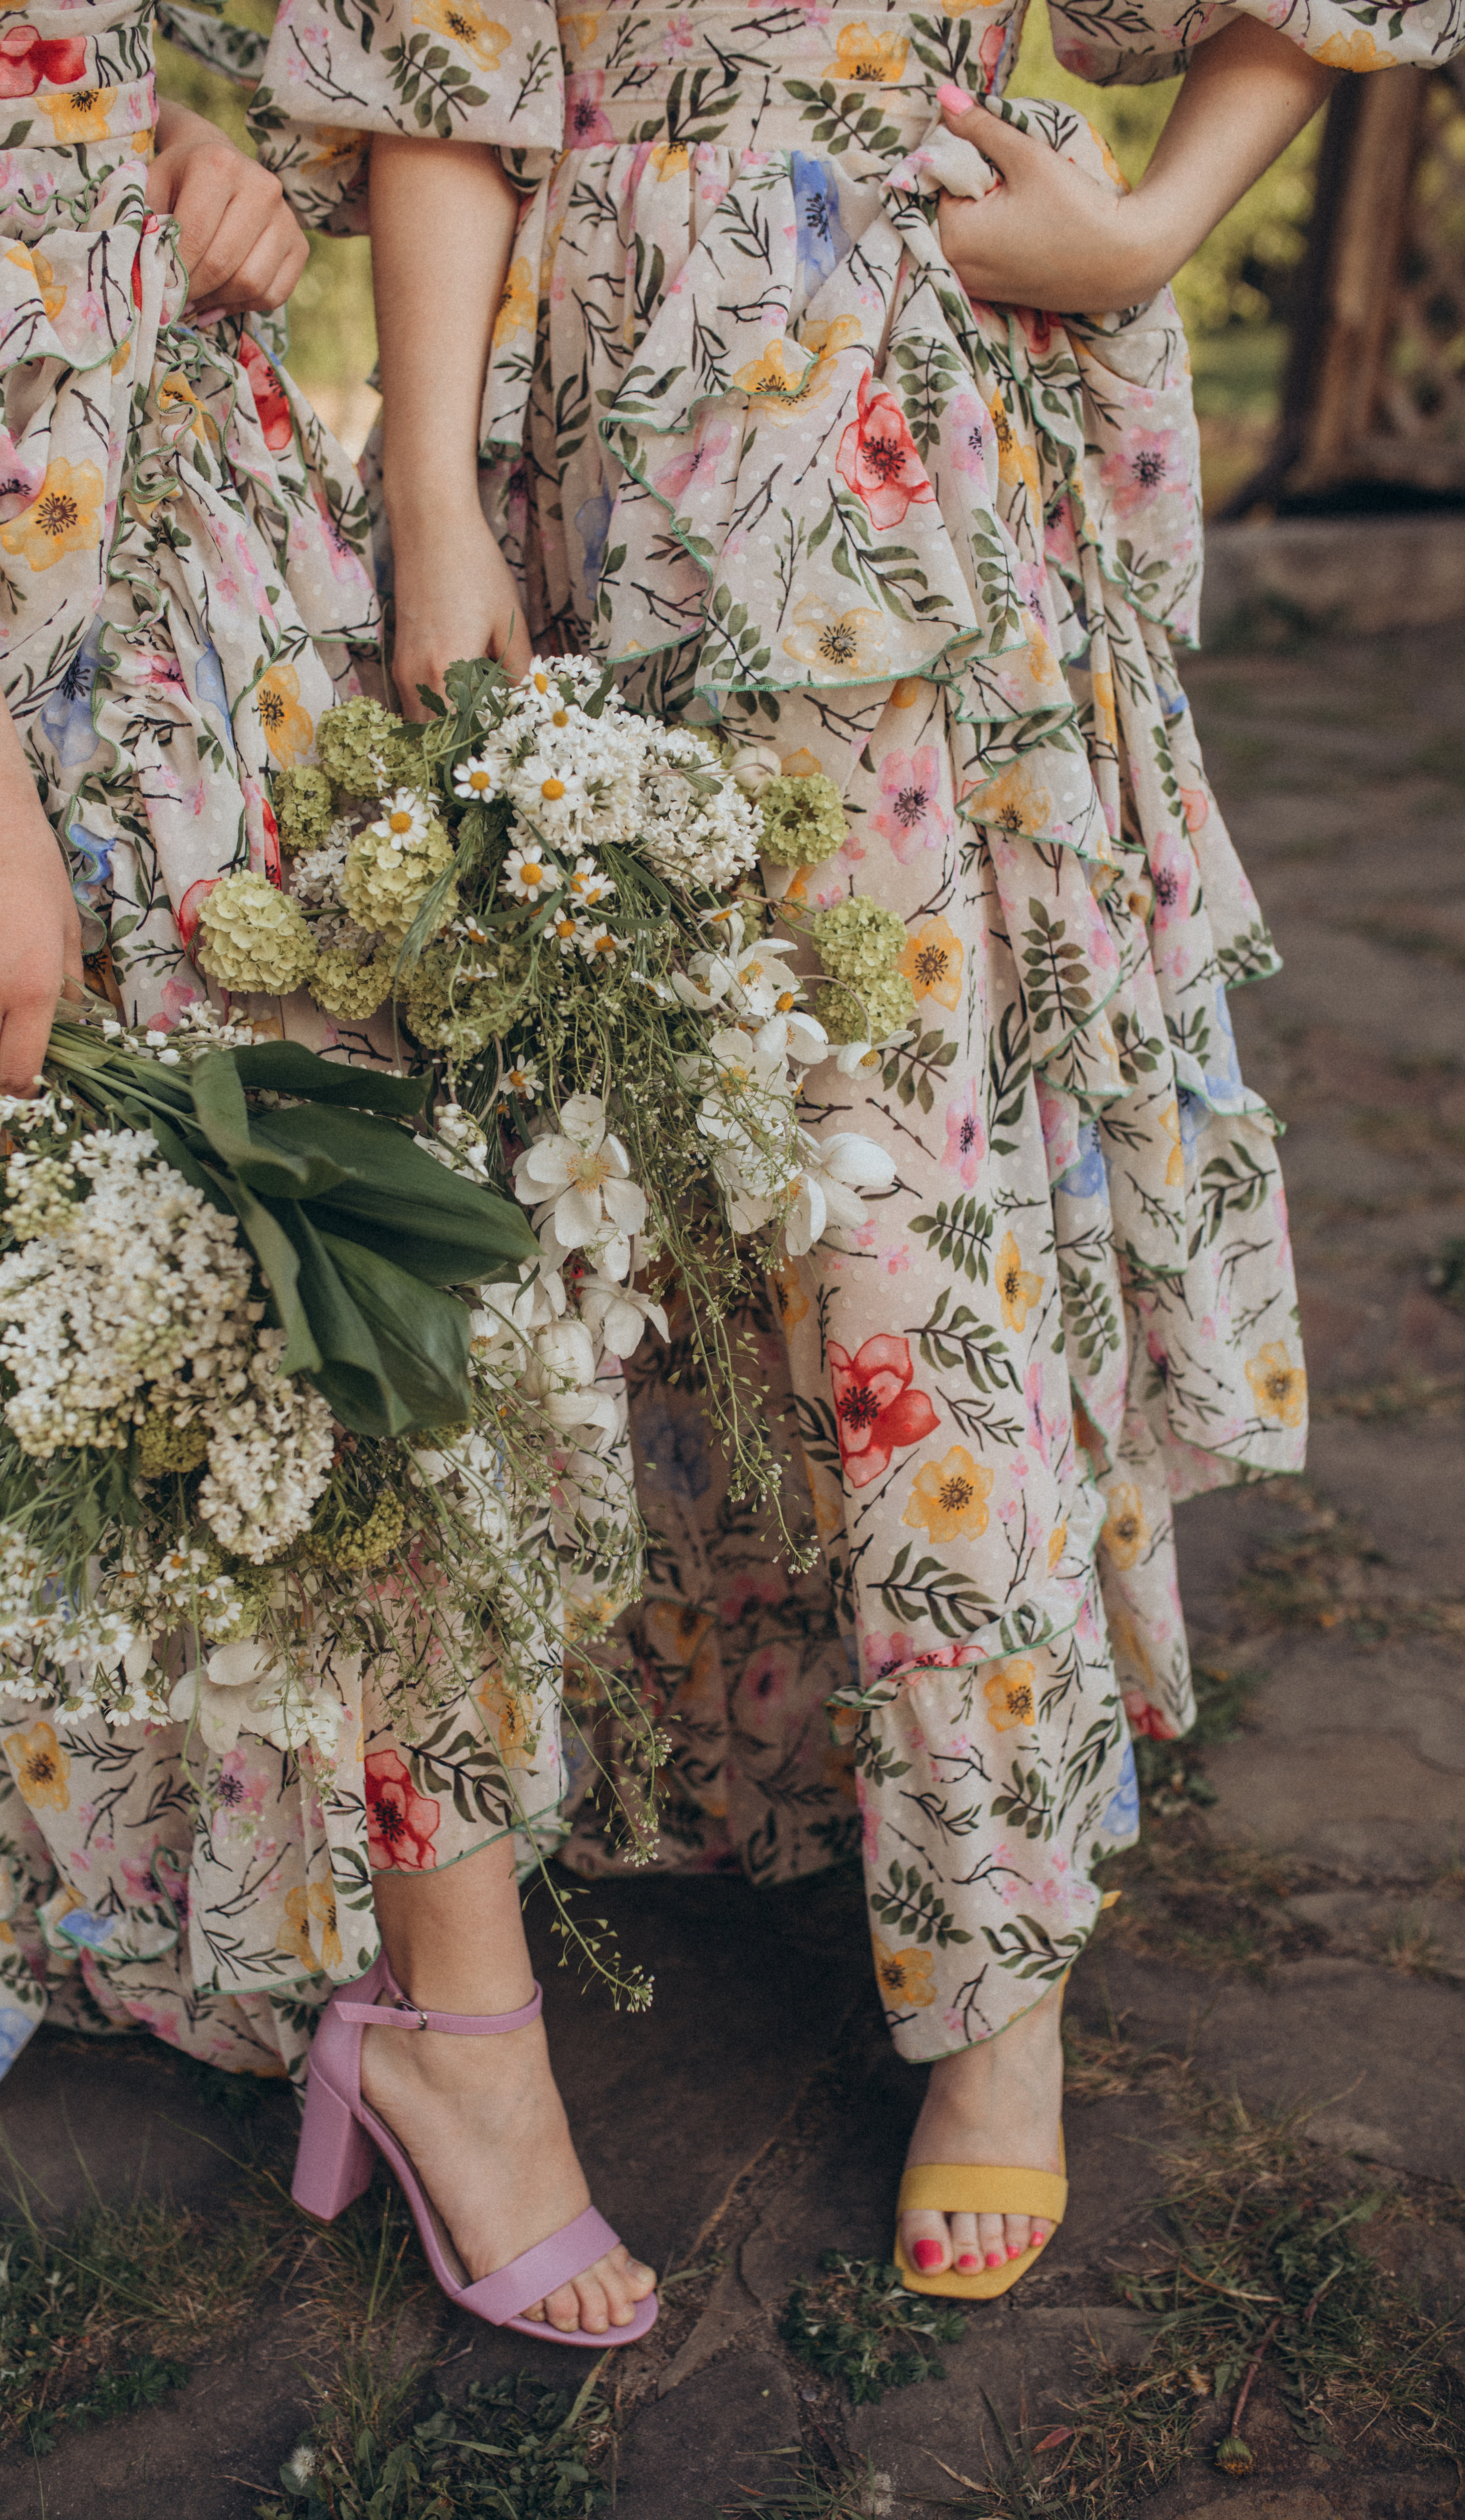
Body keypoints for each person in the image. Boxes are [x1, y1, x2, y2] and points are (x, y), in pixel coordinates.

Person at [245, 0, 1455, 2296]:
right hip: (574, 422)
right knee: (608, 1176)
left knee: (907, 1214)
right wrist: (424, 492)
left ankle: (1005, 1996)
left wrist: (1154, 229)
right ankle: (757, 1770)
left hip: (899, 410)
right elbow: (444, 54)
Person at [0, 0, 655, 2339]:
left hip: (187, 476)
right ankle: (425, 2021)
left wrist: (175, 137)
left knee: (328, 1227)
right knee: (189, 1270)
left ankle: (409, 1991)